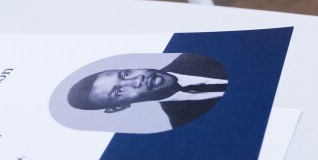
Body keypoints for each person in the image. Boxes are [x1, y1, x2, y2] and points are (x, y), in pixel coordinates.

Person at [67, 54, 228, 129]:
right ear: (119, 107)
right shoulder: (183, 122)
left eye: (126, 74)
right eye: (119, 91)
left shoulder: (197, 57)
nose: (137, 80)